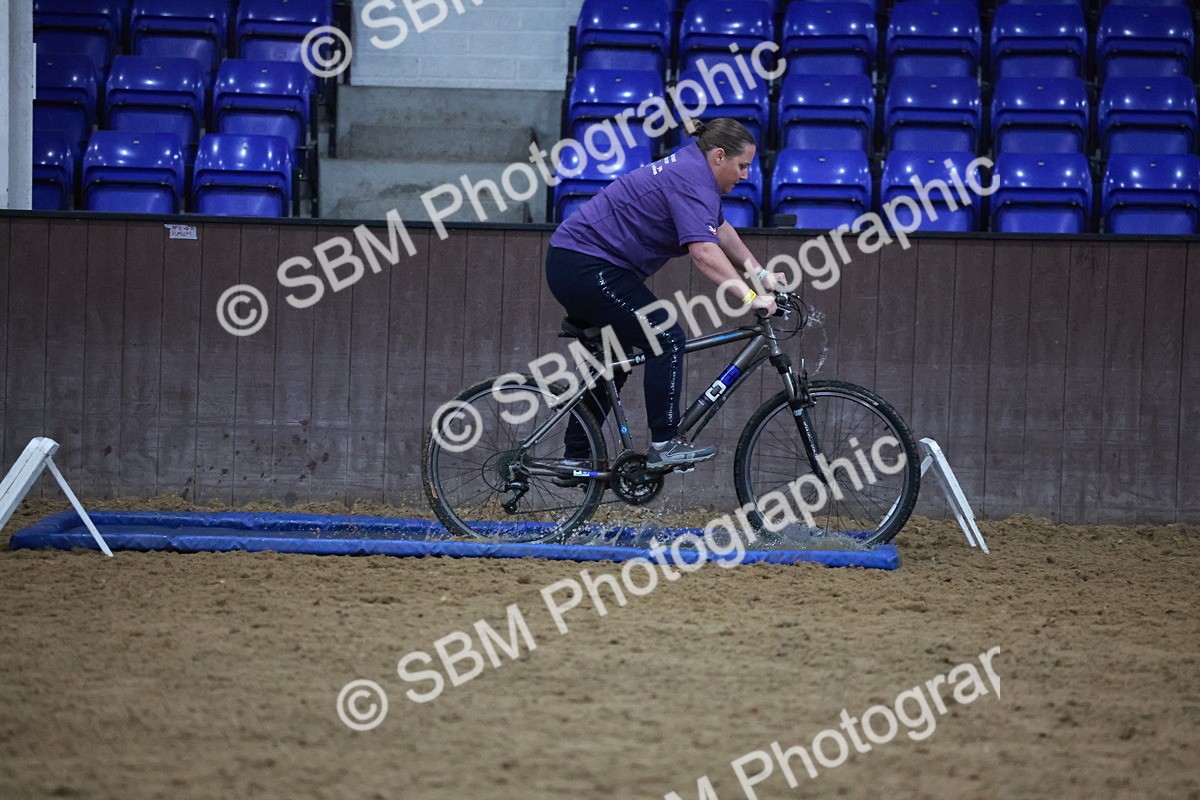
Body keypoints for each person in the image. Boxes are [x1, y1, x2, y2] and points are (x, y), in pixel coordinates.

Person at [545, 118, 783, 471]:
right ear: (719, 156)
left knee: (617, 360)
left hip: (582, 264)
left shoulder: (695, 173)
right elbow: (704, 252)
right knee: (666, 336)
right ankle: (664, 444)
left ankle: (576, 458)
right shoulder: (691, 178)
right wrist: (750, 299)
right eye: (742, 165)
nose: (746, 174)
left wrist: (760, 274)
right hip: (585, 266)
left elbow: (720, 229)